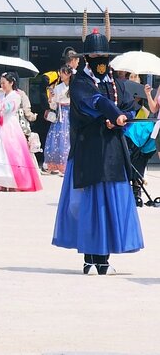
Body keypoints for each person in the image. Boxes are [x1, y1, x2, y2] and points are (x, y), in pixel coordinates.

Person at [52, 29, 143, 275]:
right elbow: (93, 103)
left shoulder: (114, 82)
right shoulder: (81, 82)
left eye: (103, 54)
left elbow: (130, 105)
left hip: (112, 150)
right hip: (89, 150)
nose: (100, 59)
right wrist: (114, 116)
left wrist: (124, 117)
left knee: (111, 203)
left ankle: (102, 258)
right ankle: (90, 256)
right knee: (90, 204)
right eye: (95, 54)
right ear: (86, 57)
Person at [43, 65, 72, 175]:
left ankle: (66, 164)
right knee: (56, 138)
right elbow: (54, 106)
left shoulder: (73, 86)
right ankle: (54, 164)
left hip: (69, 113)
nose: (61, 75)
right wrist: (51, 98)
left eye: (63, 73)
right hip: (60, 113)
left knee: (67, 137)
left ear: (69, 74)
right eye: (61, 73)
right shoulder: (58, 87)